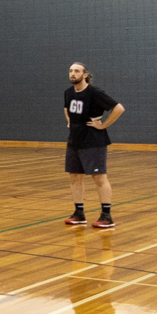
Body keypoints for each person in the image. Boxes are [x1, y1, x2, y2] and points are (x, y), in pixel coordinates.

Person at [64, 62, 125, 229]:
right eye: (70, 71)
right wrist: (70, 122)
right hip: (74, 141)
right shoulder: (68, 93)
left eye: (76, 71)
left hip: (93, 142)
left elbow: (119, 108)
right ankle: (79, 213)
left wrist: (103, 125)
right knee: (75, 177)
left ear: (85, 75)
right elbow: (66, 109)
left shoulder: (94, 93)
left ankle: (106, 215)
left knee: (99, 178)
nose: (72, 74)